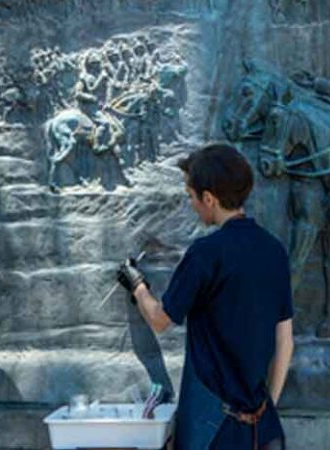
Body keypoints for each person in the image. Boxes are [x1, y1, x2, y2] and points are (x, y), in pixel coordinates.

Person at [117, 144, 294, 450]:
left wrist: (137, 285)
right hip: (262, 427)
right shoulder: (274, 250)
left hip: (211, 427)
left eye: (191, 197)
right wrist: (268, 409)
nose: (192, 204)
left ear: (209, 198)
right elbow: (285, 340)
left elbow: (160, 320)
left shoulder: (205, 253)